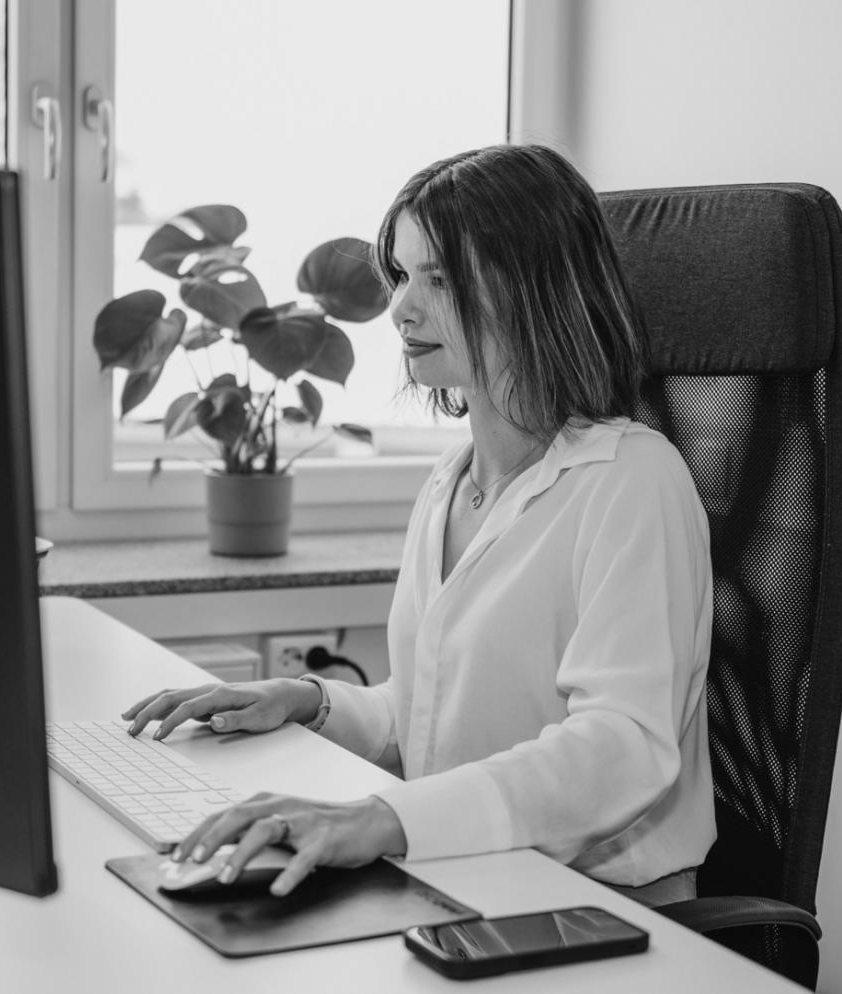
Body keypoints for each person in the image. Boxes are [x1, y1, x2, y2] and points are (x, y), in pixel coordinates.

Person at [124, 143, 715, 906]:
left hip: (602, 915)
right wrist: (308, 700)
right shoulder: (449, 481)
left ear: (537, 289)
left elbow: (621, 747)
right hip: (464, 883)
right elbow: (435, 718)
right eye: (402, 274)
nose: (401, 307)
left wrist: (381, 817)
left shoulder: (632, 480)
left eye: (441, 278)